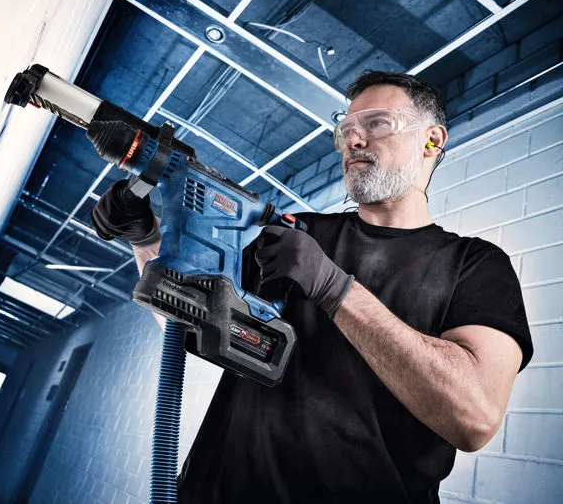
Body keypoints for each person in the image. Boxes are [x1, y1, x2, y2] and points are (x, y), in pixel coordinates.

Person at [90, 71, 533, 503]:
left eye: (377, 123)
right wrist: (146, 239)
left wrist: (334, 288)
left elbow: (473, 417)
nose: (354, 141)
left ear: (432, 141)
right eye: (346, 130)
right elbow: (182, 316)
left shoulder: (473, 265)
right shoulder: (297, 233)